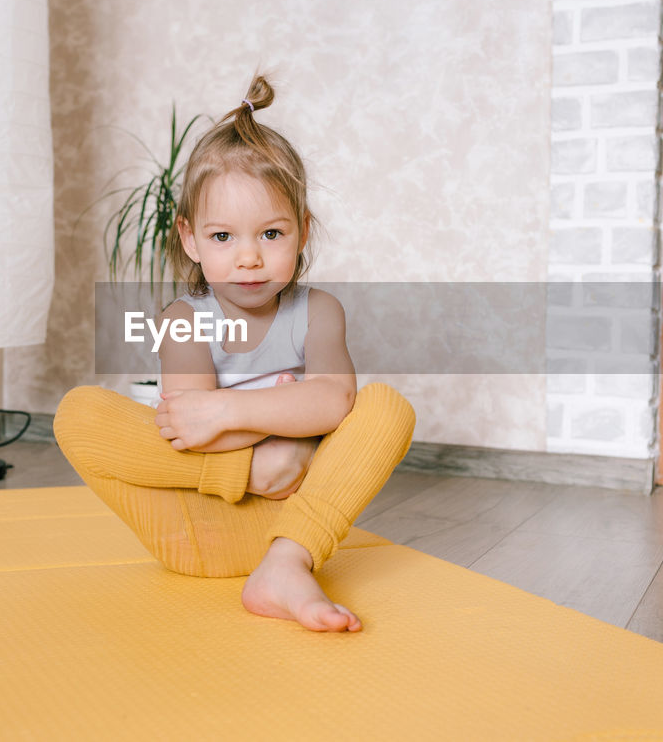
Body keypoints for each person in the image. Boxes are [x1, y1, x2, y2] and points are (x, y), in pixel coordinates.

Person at [54, 74, 415, 632]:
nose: (249, 258)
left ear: (302, 234)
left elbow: (334, 402)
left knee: (387, 407)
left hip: (293, 526)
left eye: (271, 234)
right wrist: (269, 453)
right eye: (224, 238)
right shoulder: (183, 321)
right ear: (191, 239)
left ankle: (285, 568)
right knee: (79, 412)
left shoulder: (319, 312)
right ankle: (269, 502)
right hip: (186, 523)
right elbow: (187, 431)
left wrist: (231, 411)